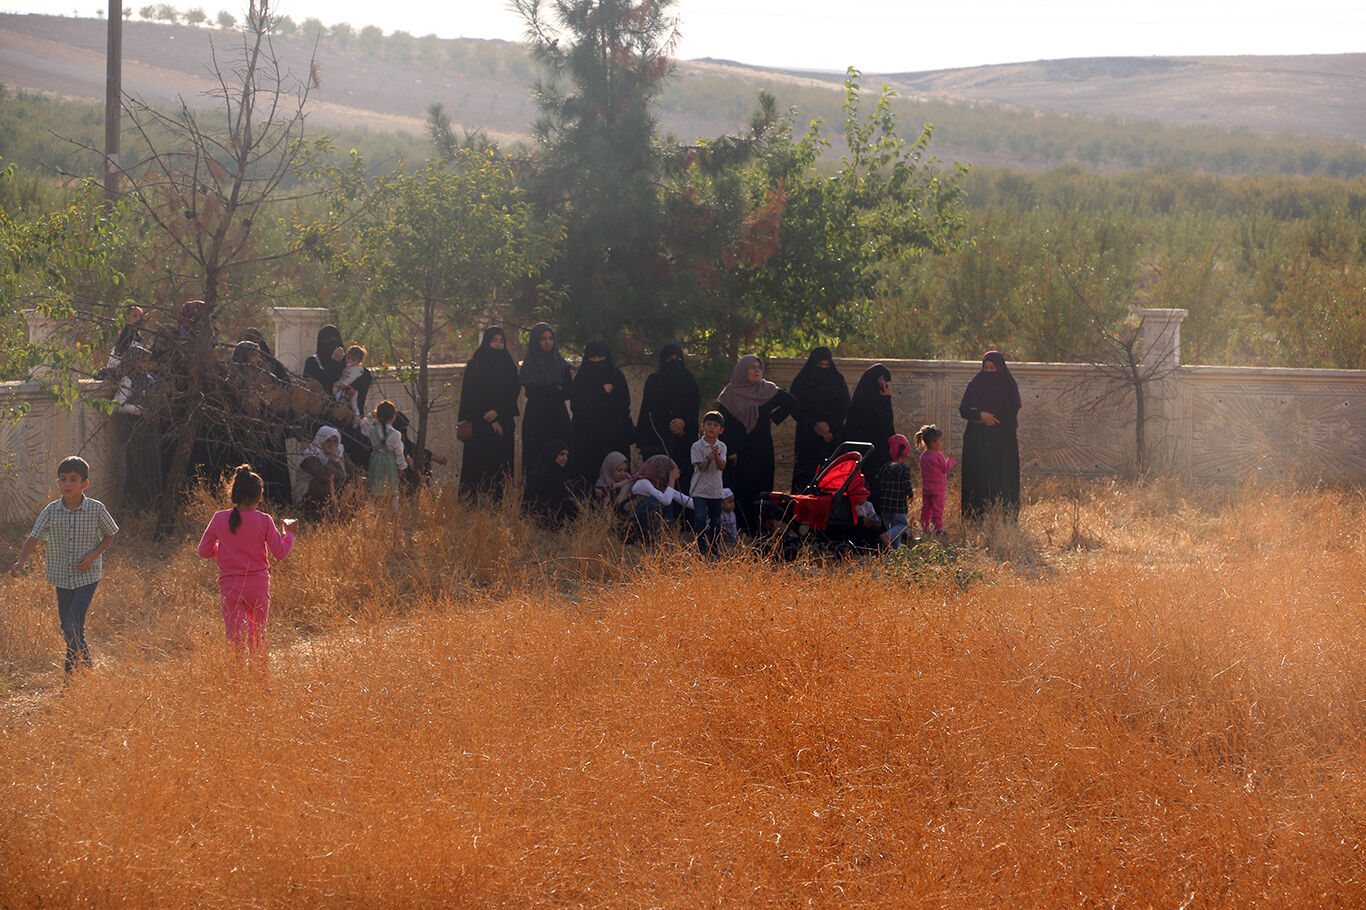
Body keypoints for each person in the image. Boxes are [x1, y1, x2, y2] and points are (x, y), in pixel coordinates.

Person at [9, 456, 119, 675]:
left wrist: (92, 556)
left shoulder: (96, 509)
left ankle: (69, 677)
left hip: (87, 575)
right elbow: (34, 537)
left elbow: (110, 533)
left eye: (73, 479)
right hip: (61, 576)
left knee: (71, 625)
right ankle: (87, 668)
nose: (68, 483)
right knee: (70, 627)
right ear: (58, 482)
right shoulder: (51, 510)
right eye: (63, 479)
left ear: (84, 483)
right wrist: (21, 560)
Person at [196, 465, 296, 661]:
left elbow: (204, 551)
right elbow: (280, 553)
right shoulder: (264, 520)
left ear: (234, 494)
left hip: (230, 587)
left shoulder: (219, 518)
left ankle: (236, 677)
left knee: (235, 638)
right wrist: (290, 533)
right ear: (259, 497)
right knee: (258, 635)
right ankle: (259, 676)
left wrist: (224, 550)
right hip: (258, 586)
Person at [717, 354, 804, 536]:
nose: (757, 370)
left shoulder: (767, 390)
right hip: (739, 450)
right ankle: (740, 528)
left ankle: (761, 528)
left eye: (759, 367)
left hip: (762, 448)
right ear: (743, 370)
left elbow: (792, 402)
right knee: (741, 487)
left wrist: (775, 417)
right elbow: (723, 425)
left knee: (762, 487)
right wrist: (730, 450)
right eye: (753, 367)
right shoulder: (729, 395)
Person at [958, 351, 1022, 521]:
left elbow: (1012, 410)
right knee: (977, 478)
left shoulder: (1008, 387)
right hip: (977, 442)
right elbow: (964, 410)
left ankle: (1003, 519)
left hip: (1002, 443)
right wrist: (980, 415)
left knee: (1002, 479)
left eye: (992, 368)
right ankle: (975, 519)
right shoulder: (975, 385)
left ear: (1000, 368)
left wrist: (990, 419)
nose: (988, 371)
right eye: (985, 367)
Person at [457, 326, 519, 500]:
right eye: (494, 341)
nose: (498, 345)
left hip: (503, 426)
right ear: (486, 342)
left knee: (500, 473)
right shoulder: (475, 365)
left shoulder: (509, 366)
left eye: (501, 341)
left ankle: (499, 506)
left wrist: (498, 413)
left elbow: (513, 393)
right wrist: (489, 418)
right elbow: (471, 396)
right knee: (478, 473)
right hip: (480, 428)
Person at [635, 343, 701, 492]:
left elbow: (693, 408)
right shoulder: (655, 381)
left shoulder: (689, 382)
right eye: (669, 358)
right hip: (660, 442)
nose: (674, 361)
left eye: (678, 358)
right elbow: (650, 410)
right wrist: (670, 423)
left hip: (684, 442)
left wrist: (683, 422)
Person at [569, 340, 633, 488]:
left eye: (601, 357)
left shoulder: (616, 376)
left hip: (614, 437)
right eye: (593, 358)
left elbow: (623, 404)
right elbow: (577, 406)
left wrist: (595, 403)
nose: (597, 361)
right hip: (588, 439)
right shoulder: (581, 379)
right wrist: (602, 392)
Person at [789, 346, 849, 489]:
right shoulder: (801, 381)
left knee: (831, 478)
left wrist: (829, 425)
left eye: (826, 365)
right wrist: (814, 425)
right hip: (807, 437)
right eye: (819, 365)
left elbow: (845, 406)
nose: (823, 368)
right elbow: (794, 407)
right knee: (805, 478)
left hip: (832, 437)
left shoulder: (837, 380)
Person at [519, 323, 573, 475]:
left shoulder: (561, 364)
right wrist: (554, 390)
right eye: (543, 339)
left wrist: (548, 391)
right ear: (536, 341)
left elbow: (568, 391)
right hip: (536, 418)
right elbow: (532, 391)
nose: (547, 342)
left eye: (550, 338)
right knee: (537, 457)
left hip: (558, 417)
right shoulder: (529, 365)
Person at [843, 364, 897, 487]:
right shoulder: (871, 401)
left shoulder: (861, 397)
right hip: (870, 453)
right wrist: (887, 399)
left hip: (865, 453)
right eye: (884, 382)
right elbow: (885, 422)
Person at [620, 454, 692, 544]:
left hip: (648, 524)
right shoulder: (643, 483)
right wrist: (672, 480)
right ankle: (647, 539)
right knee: (655, 501)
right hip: (634, 525)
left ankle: (666, 537)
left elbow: (682, 499)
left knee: (666, 497)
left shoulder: (659, 486)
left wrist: (704, 506)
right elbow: (666, 501)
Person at [295, 425, 355, 520]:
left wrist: (350, 485)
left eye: (335, 441)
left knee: (361, 483)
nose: (331, 445)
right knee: (326, 485)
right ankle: (321, 516)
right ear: (321, 441)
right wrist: (332, 459)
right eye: (327, 441)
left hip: (335, 490)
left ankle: (348, 515)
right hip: (309, 496)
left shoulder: (339, 452)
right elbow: (326, 477)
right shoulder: (310, 457)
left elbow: (353, 472)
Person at [689, 410, 728, 557]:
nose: (711, 427)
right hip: (699, 489)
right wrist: (709, 458)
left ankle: (714, 549)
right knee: (700, 517)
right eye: (709, 424)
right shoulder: (697, 446)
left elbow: (722, 466)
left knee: (716, 521)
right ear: (702, 426)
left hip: (715, 490)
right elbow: (701, 467)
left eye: (715, 425)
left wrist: (716, 456)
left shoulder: (722, 446)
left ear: (721, 430)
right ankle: (701, 548)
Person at [360, 400, 410, 498]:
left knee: (374, 488)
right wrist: (402, 467)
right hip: (389, 462)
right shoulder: (395, 434)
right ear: (394, 416)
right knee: (390, 489)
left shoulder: (372, 430)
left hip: (375, 461)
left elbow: (363, 425)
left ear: (377, 415)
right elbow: (399, 453)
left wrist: (371, 415)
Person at [524, 440, 580, 526]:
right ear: (552, 454)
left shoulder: (560, 473)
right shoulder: (540, 474)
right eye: (562, 454)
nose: (566, 458)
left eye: (566, 455)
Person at [874, 434, 915, 549]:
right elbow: (906, 484)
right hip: (899, 506)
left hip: (885, 505)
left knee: (892, 528)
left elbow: (876, 480)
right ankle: (888, 535)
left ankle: (895, 550)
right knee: (902, 525)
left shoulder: (885, 467)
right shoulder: (903, 469)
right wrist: (910, 495)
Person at [916, 424, 956, 535]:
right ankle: (937, 529)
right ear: (934, 443)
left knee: (926, 509)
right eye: (940, 441)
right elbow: (946, 469)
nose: (942, 444)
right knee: (937, 509)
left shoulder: (923, 456)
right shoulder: (939, 456)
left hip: (926, 489)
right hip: (938, 489)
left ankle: (925, 528)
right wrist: (950, 459)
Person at [302, 325, 346, 392]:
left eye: (336, 340)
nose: (332, 343)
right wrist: (334, 362)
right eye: (328, 339)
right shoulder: (312, 362)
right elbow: (314, 385)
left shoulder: (349, 361)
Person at [333, 345, 367, 422]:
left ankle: (357, 418)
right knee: (338, 398)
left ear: (358, 361)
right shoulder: (348, 367)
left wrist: (344, 384)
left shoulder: (357, 369)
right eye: (348, 358)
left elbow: (351, 378)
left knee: (354, 405)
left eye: (353, 360)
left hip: (351, 389)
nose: (349, 361)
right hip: (344, 387)